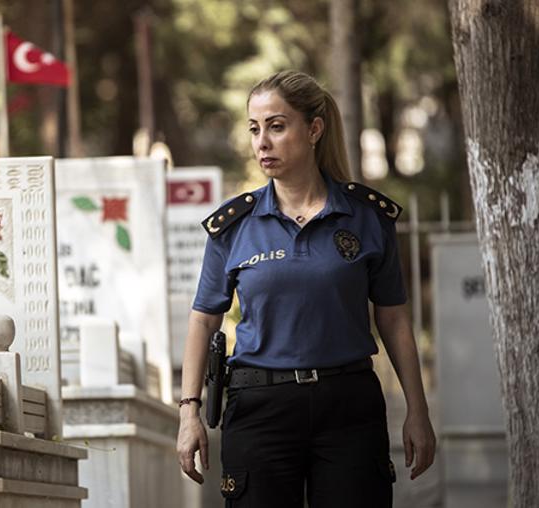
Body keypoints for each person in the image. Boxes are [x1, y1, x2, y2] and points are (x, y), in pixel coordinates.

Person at [176, 70, 436, 507]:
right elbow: (204, 319)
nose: (262, 142)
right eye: (255, 129)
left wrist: (418, 410)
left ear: (314, 129)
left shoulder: (367, 218)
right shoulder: (233, 227)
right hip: (260, 407)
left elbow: (393, 318)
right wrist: (189, 413)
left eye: (277, 126)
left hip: (349, 409)